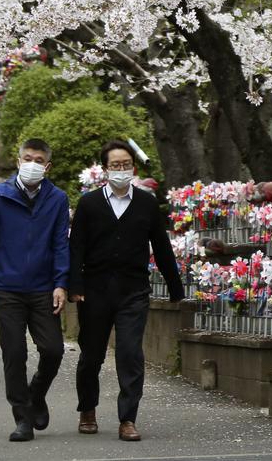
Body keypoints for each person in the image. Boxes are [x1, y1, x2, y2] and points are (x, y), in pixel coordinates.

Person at [69, 139, 184, 441]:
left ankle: (128, 419)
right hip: (94, 290)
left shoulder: (146, 203)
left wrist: (175, 288)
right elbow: (76, 247)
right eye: (114, 165)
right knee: (91, 355)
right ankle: (88, 409)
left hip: (133, 290)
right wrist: (75, 286)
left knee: (130, 353)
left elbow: (161, 246)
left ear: (132, 167)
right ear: (104, 169)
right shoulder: (90, 204)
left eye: (125, 165)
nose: (120, 170)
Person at [0, 138, 69, 442]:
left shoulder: (57, 199)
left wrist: (60, 283)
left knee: (53, 349)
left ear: (47, 166)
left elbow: (60, 244)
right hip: (7, 289)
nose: (32, 164)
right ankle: (22, 417)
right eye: (27, 158)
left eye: (38, 160)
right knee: (14, 353)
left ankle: (35, 394)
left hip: (43, 288)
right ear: (17, 162)